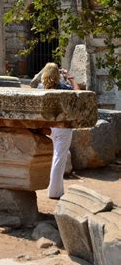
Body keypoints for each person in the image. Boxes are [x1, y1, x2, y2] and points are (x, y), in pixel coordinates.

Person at [39, 62, 79, 199]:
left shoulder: (41, 88)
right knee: (58, 160)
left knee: (55, 159)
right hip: (62, 128)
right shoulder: (62, 88)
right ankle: (54, 192)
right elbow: (78, 92)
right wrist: (70, 77)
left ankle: (57, 189)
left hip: (48, 128)